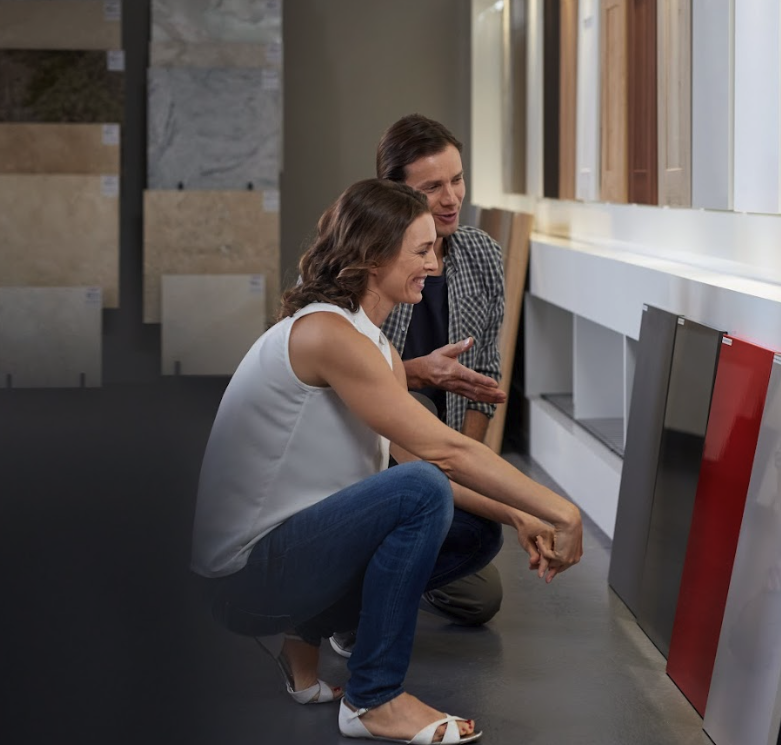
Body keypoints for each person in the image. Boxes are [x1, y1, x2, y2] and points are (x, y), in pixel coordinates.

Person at [190, 179, 583, 743]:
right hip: (243, 581)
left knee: (476, 531)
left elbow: (424, 464)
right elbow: (440, 453)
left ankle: (307, 642)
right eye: (421, 252)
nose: (435, 265)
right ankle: (374, 697)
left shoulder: (375, 346)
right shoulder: (326, 332)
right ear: (374, 256)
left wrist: (518, 514)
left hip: (287, 556)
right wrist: (562, 510)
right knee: (420, 489)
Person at [331, 114, 508, 659]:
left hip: (435, 453)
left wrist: (467, 468)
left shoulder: (480, 254)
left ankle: (388, 575)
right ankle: (341, 597)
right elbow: (338, 380)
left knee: (480, 596)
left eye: (457, 179)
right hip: (364, 452)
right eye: (432, 187)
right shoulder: (356, 263)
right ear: (393, 192)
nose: (451, 198)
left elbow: (486, 376)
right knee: (418, 398)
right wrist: (416, 372)